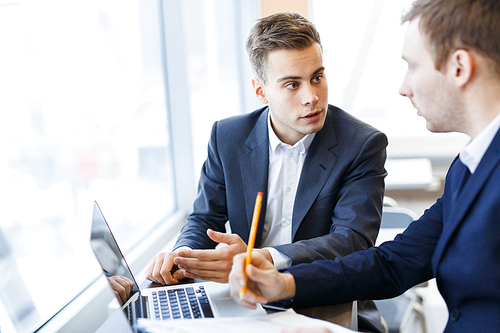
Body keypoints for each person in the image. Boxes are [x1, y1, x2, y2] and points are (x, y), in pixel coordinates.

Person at [229, 1, 500, 332]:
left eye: (413, 66)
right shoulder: (468, 167)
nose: (404, 87)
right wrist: (285, 284)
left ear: (459, 67)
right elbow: (393, 264)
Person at [146, 12, 387, 332]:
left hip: (326, 301)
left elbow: (352, 241)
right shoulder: (227, 137)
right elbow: (204, 219)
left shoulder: (361, 144)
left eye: (317, 77)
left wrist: (262, 258)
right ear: (260, 90)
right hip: (244, 303)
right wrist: (182, 257)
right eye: (292, 84)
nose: (311, 97)